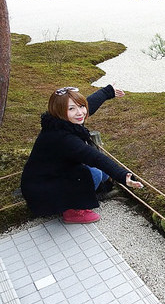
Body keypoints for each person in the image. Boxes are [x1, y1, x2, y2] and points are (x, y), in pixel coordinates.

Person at [20, 85, 143, 224]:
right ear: (59, 111)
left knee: (102, 173)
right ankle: (73, 211)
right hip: (42, 190)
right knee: (95, 174)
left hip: (52, 174)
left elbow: (89, 105)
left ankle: (79, 196)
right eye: (71, 108)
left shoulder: (60, 122)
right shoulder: (64, 138)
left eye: (81, 106)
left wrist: (108, 91)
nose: (80, 113)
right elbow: (95, 157)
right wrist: (123, 175)